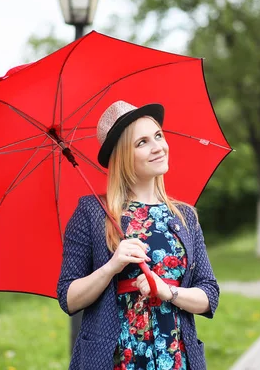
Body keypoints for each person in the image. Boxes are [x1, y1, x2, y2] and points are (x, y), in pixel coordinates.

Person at [57, 100, 219, 370]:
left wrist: (168, 291)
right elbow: (68, 297)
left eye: (158, 136)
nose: (158, 147)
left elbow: (209, 295)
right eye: (142, 142)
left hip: (175, 356)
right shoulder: (93, 212)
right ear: (122, 157)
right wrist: (112, 267)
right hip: (116, 358)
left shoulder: (185, 216)